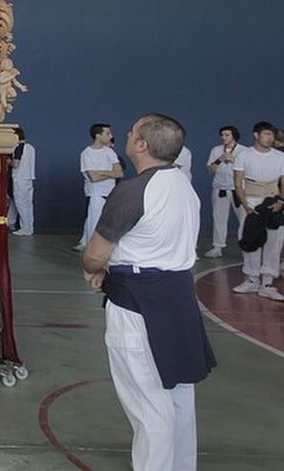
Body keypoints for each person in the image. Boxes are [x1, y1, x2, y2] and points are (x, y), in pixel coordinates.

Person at [81, 113, 216, 471]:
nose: (125, 135)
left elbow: (95, 252)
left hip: (139, 303)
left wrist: (94, 271)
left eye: (131, 132)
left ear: (141, 145)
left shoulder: (133, 191)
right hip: (179, 298)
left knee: (149, 404)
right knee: (178, 399)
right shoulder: (183, 186)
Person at [232, 121, 284, 300]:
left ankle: (267, 282)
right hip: (251, 200)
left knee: (274, 239)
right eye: (267, 134)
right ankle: (252, 278)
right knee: (249, 237)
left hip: (273, 200)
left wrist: (281, 202)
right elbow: (238, 183)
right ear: (257, 135)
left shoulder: (279, 157)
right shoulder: (244, 155)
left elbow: (283, 182)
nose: (270, 138)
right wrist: (246, 205)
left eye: (272, 135)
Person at [76, 123, 123, 251]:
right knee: (93, 225)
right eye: (107, 133)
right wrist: (109, 173)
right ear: (98, 135)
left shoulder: (110, 152)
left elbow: (119, 172)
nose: (111, 136)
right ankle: (92, 249)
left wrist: (102, 172)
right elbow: (93, 178)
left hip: (110, 194)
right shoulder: (87, 153)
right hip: (96, 195)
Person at [203, 125, 246, 258]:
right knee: (219, 218)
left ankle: (246, 246)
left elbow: (248, 169)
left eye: (227, 135)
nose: (224, 137)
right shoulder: (216, 150)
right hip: (220, 188)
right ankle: (217, 247)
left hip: (238, 188)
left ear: (234, 135)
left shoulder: (244, 151)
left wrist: (234, 160)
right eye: (222, 135)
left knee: (244, 219)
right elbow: (210, 170)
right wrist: (220, 159)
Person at [7, 127, 36, 235]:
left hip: (19, 178)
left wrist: (8, 161)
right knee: (28, 204)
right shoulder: (31, 148)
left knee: (21, 204)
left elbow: (15, 164)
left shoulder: (18, 148)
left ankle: (26, 228)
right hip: (29, 178)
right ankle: (27, 226)